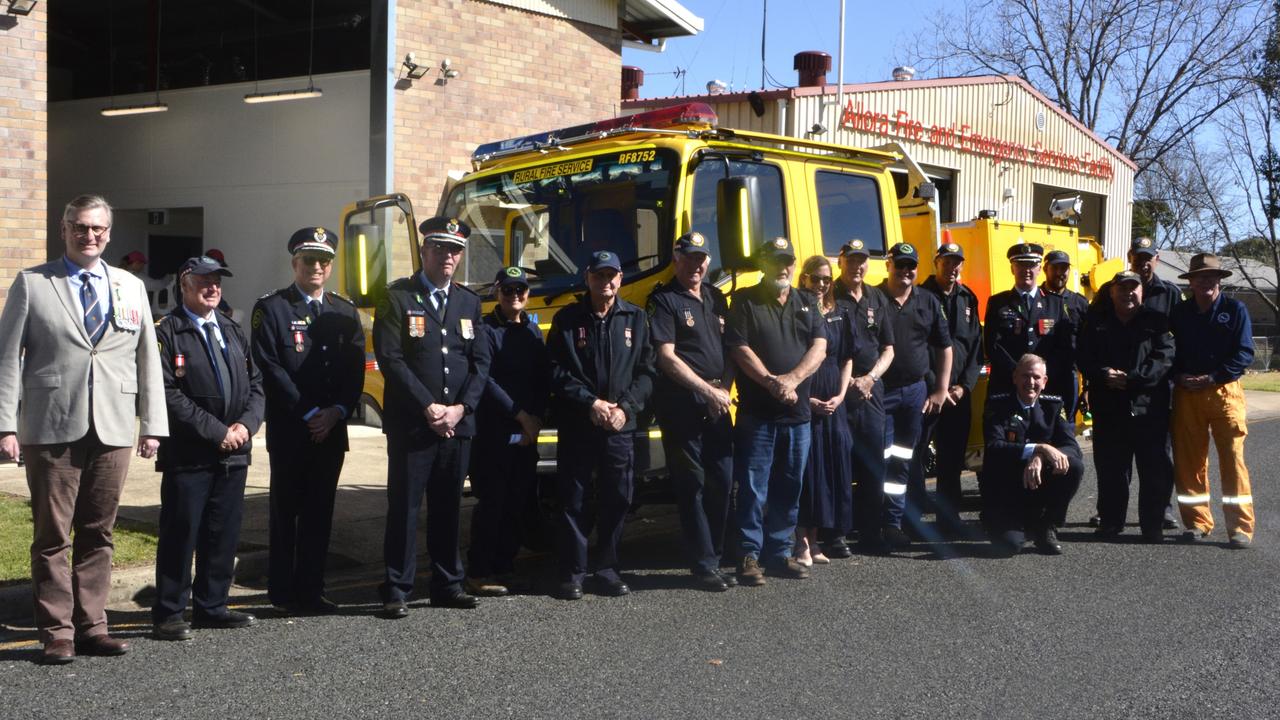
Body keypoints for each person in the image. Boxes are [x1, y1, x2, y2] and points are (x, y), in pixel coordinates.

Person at [0, 194, 166, 665]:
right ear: (64, 229)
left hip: (113, 426)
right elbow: (7, 357)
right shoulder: (33, 283)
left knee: (100, 531)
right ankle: (57, 633)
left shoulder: (130, 286)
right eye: (79, 226)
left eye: (96, 228)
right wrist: (3, 425)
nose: (88, 235)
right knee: (52, 535)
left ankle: (93, 627)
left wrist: (152, 424)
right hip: (50, 426)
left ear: (109, 233)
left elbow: (147, 359)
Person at [373, 217, 492, 618]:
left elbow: (480, 363)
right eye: (440, 248)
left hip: (456, 425)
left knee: (447, 506)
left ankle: (447, 583)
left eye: (455, 250)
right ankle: (397, 587)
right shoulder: (397, 297)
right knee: (405, 507)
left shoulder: (468, 302)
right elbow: (391, 359)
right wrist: (428, 407)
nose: (448, 256)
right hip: (413, 424)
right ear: (424, 251)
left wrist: (460, 409)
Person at [250, 227, 364, 614]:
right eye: (309, 260)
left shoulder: (343, 310)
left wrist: (336, 412)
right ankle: (282, 592)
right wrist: (310, 412)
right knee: (286, 512)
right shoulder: (273, 308)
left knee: (320, 512)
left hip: (331, 430)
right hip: (292, 429)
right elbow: (270, 366)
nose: (317, 266)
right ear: (294, 263)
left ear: (330, 266)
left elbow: (354, 372)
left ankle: (313, 590)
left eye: (324, 261)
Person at [152, 256, 264, 641]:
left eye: (217, 281)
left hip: (234, 450)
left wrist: (245, 426)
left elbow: (256, 386)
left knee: (223, 532)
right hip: (190, 453)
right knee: (182, 533)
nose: (213, 287)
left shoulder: (231, 329)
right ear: (185, 283)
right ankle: (169, 612)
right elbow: (167, 393)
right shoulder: (168, 332)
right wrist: (217, 430)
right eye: (204, 280)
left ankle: (212, 606)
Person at [547, 250, 655, 600]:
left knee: (618, 498)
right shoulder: (567, 320)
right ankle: (573, 573)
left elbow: (647, 372)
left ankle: (607, 570)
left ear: (620, 279)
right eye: (599, 275)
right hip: (580, 423)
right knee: (574, 500)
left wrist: (625, 408)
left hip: (620, 427)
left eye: (612, 276)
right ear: (588, 277)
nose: (606, 282)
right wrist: (589, 402)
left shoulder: (636, 319)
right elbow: (555, 372)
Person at [725, 237, 826, 585]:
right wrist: (771, 382)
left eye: (788, 262)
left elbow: (820, 345)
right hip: (759, 414)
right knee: (753, 488)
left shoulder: (806, 301)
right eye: (776, 262)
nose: (783, 268)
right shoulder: (745, 300)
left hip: (797, 417)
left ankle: (780, 552)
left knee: (789, 485)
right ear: (764, 265)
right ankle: (749, 555)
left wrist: (793, 380)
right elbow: (738, 347)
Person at [648, 232, 737, 591]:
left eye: (702, 258)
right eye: (690, 258)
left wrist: (724, 389)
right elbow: (666, 357)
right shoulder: (664, 299)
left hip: (718, 400)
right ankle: (703, 565)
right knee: (693, 485)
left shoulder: (715, 297)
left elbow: (732, 348)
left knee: (724, 481)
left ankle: (715, 556)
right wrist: (706, 390)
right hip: (683, 404)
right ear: (676, 259)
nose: (697, 265)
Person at [466, 266, 550, 597]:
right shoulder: (486, 330)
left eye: (521, 290)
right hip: (495, 431)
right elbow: (485, 379)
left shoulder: (533, 329)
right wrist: (521, 416)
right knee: (493, 503)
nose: (515, 296)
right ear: (497, 293)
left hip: (527, 430)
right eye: (508, 290)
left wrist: (537, 418)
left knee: (518, 502)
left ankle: (505, 566)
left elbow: (543, 378)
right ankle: (479, 571)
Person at [1077, 271, 1175, 542]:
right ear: (1112, 291)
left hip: (1149, 408)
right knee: (1111, 470)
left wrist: (1133, 379)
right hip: (1109, 407)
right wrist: (1103, 373)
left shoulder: (1157, 321)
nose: (1128, 293)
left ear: (1142, 292)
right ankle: (1110, 522)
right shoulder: (1097, 321)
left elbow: (1165, 357)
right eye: (1122, 288)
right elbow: (1084, 355)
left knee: (1154, 470)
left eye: (1133, 288)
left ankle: (1152, 525)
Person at [1169, 253, 1256, 548]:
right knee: (1189, 461)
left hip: (1224, 392)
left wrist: (1213, 377)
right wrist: (1178, 376)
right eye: (1200, 277)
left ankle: (1240, 528)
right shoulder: (1180, 313)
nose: (1206, 281)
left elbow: (1244, 353)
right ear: (1190, 282)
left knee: (1232, 459)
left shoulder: (1235, 310)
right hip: (1186, 393)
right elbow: (1170, 352)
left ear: (1219, 281)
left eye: (1212, 276)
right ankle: (1196, 522)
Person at [877, 243, 952, 545]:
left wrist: (941, 389)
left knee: (903, 459)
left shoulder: (928, 301)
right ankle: (873, 522)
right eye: (900, 264)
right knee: (877, 458)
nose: (906, 271)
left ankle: (894, 523)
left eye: (911, 266)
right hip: (879, 391)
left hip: (914, 393)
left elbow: (944, 348)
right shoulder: (874, 298)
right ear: (889, 265)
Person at [981, 354, 1082, 556]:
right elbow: (994, 447)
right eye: (1025, 376)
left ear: (1044, 382)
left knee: (1074, 465)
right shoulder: (997, 406)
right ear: (1015, 378)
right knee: (1010, 547)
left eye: (1036, 377)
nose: (1031, 382)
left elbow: (1073, 448)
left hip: (1037, 489)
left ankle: (1046, 525)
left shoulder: (1053, 407)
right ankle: (1002, 523)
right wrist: (1040, 448)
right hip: (1006, 493)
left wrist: (1041, 455)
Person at [915, 239, 982, 532]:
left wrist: (963, 387)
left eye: (957, 263)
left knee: (952, 458)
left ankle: (948, 515)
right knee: (916, 456)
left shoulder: (968, 298)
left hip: (958, 394)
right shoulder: (919, 296)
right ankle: (913, 517)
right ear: (936, 263)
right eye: (947, 262)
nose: (952, 267)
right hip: (928, 392)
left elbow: (976, 348)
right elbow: (914, 346)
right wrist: (936, 387)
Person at [832, 239, 894, 554]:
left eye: (862, 260)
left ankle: (871, 532)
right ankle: (837, 534)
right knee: (840, 464)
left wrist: (870, 378)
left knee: (874, 466)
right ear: (840, 261)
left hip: (872, 392)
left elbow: (888, 348)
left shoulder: (876, 297)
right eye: (851, 260)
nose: (857, 266)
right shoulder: (829, 295)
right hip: (839, 392)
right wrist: (848, 383)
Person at [794, 255, 856, 565]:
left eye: (826, 279)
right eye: (815, 278)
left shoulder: (840, 313)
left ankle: (818, 541)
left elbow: (847, 358)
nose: (820, 284)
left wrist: (842, 395)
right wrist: (806, 400)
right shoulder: (795, 311)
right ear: (803, 278)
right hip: (806, 396)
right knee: (807, 470)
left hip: (834, 401)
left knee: (830, 467)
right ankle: (801, 542)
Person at [984, 243, 1071, 400]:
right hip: (1007, 385)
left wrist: (1040, 375)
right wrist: (1018, 374)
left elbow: (1064, 347)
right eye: (1021, 265)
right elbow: (992, 345)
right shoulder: (998, 303)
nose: (1027, 270)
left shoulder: (1055, 303)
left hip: (1045, 388)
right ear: (1012, 269)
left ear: (1039, 269)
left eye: (1031, 265)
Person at [1040, 249, 1088, 419]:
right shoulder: (1036, 299)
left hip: (1070, 377)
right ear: (1045, 269)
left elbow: (1088, 346)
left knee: (1067, 428)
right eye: (1055, 268)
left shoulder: (1079, 303)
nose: (1060, 273)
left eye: (1064, 268)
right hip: (1041, 378)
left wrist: (1087, 387)